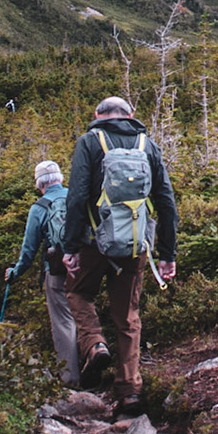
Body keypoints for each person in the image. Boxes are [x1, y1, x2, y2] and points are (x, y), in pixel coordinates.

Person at [61, 95, 178, 416]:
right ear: (131, 114)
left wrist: (70, 247)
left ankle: (95, 343)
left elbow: (76, 197)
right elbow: (166, 202)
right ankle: (130, 392)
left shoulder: (89, 142)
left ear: (97, 114)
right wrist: (167, 254)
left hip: (93, 243)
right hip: (135, 246)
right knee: (128, 317)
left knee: (77, 292)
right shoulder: (147, 145)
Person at [6, 159, 80, 387]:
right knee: (86, 315)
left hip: (57, 271)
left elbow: (28, 251)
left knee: (64, 322)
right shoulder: (77, 196)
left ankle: (70, 379)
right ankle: (96, 356)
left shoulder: (39, 208)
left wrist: (15, 273)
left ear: (39, 184)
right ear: (60, 178)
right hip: (86, 266)